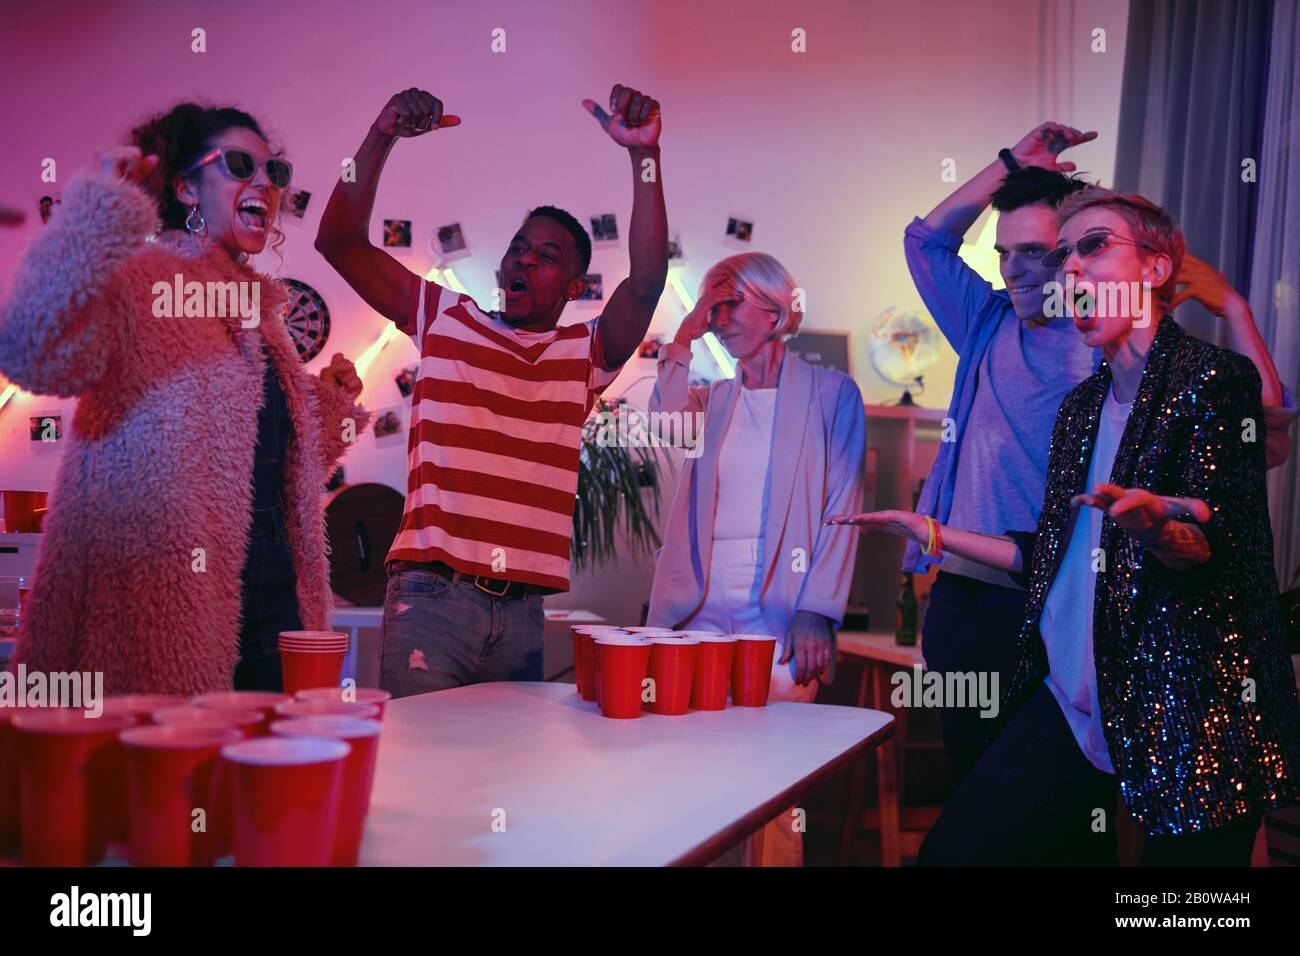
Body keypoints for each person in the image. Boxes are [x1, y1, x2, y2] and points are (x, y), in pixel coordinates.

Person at [832, 188, 1300, 866]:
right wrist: (930, 531)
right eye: (1063, 254)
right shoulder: (1081, 409)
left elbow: (1211, 542)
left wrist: (1156, 530)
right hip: (1075, 701)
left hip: (1189, 713)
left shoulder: (1211, 382)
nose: (1068, 269)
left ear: (1156, 269)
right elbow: (1047, 552)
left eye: (1093, 246)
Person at [903, 122, 1295, 786]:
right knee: (972, 793)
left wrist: (1233, 308)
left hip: (1056, 596)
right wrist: (1011, 164)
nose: (1014, 270)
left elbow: (1263, 430)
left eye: (1037, 252)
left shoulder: (1105, 341)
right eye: (1004, 253)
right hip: (967, 594)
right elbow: (926, 242)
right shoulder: (987, 317)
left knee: (1052, 815)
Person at [0, 103, 369, 695]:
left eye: (275, 172)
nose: (265, 185)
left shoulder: (261, 314)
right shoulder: (143, 276)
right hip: (170, 599)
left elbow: (266, 471)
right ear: (185, 186)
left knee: (268, 776)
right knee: (177, 776)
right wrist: (93, 216)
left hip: (275, 599)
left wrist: (327, 404)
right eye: (240, 164)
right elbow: (31, 349)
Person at [316, 85, 668, 696]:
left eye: (546, 256)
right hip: (431, 598)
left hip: (523, 612)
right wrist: (383, 135)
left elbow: (646, 283)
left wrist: (645, 158)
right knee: (422, 775)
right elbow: (340, 243)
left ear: (574, 285)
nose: (524, 261)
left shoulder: (583, 354)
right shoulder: (446, 317)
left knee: (502, 784)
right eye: (518, 249)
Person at [646, 253, 865, 704]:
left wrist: (817, 609)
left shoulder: (832, 394)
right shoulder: (714, 400)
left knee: (776, 758)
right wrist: (688, 330)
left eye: (732, 303)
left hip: (781, 610)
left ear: (775, 309)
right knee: (690, 750)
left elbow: (843, 510)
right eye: (713, 309)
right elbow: (665, 422)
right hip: (696, 609)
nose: (721, 321)